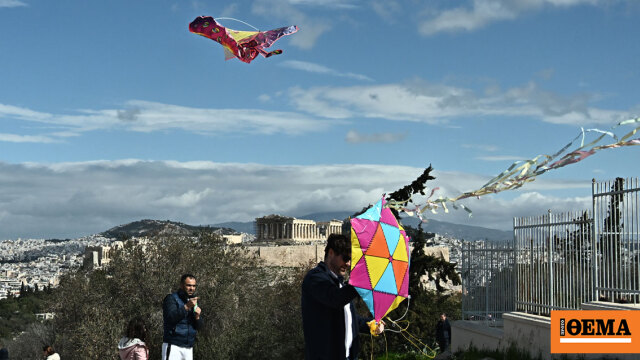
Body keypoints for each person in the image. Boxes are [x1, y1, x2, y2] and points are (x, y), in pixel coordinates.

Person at [301, 233, 383, 360]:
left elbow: (349, 317)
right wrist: (361, 280)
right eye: (345, 258)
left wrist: (370, 324)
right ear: (331, 253)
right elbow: (335, 299)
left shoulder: (339, 283)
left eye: (351, 260)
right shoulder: (315, 279)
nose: (349, 264)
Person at [162, 273, 203, 360]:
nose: (191, 288)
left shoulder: (193, 301)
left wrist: (197, 317)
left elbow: (199, 327)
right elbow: (170, 318)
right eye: (188, 285)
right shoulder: (171, 298)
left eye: (194, 286)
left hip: (188, 347)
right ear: (181, 285)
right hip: (174, 345)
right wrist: (186, 307)